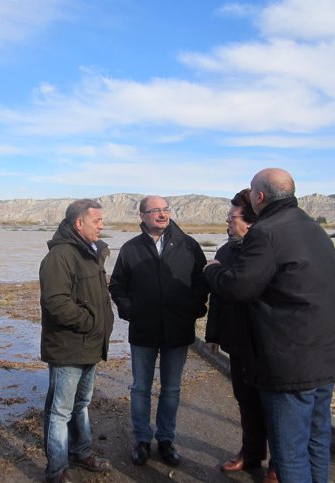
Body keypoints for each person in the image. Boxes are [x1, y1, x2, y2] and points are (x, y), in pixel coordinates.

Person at [204, 168, 335, 483]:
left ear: (259, 197)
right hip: (327, 356)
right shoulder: (311, 227)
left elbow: (239, 288)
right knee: (316, 441)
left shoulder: (267, 232)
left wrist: (213, 270)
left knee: (289, 454)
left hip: (292, 363)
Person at [109, 195, 208, 468]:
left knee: (171, 389)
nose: (162, 215)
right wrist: (131, 310)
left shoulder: (189, 245)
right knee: (140, 387)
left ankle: (166, 440)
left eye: (165, 209)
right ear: (142, 216)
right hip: (143, 331)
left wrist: (193, 308)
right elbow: (117, 286)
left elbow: (202, 282)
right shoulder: (130, 249)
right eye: (155, 211)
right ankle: (142, 440)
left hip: (178, 329)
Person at [39, 198, 115, 483]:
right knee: (59, 411)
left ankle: (81, 452)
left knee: (81, 404)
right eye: (97, 221)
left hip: (90, 345)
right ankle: (57, 470)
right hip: (68, 347)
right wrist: (91, 323)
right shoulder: (60, 256)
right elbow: (56, 302)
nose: (102, 225)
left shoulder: (91, 252)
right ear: (78, 223)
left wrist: (98, 327)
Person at [204, 189, 277, 482]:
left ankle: (278, 465)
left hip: (267, 342)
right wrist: (212, 335)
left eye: (232, 216)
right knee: (245, 399)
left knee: (272, 404)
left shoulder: (267, 248)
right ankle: (251, 453)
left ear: (249, 219)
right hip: (238, 341)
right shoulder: (225, 251)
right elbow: (218, 298)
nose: (227, 221)